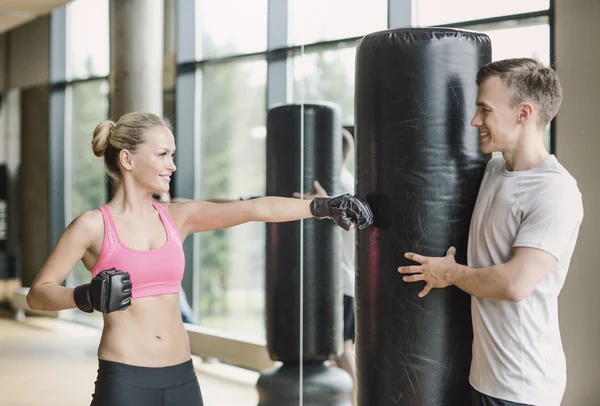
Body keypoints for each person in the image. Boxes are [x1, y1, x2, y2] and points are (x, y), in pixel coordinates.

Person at [25, 112, 373, 406]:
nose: (172, 165)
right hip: (125, 380)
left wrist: (321, 207)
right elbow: (38, 293)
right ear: (128, 159)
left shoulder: (177, 216)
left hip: (181, 378)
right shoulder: (92, 226)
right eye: (162, 155)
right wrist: (84, 296)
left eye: (172, 155)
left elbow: (256, 208)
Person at [398, 58, 584, 406]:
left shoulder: (555, 191)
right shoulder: (494, 169)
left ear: (523, 113)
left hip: (522, 384)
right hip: (485, 376)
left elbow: (514, 285)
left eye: (485, 110)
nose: (474, 121)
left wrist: (449, 273)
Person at [293, 128, 357, 404]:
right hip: (343, 281)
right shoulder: (347, 182)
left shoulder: (340, 185)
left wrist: (319, 203)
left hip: (342, 282)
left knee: (343, 350)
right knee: (341, 351)